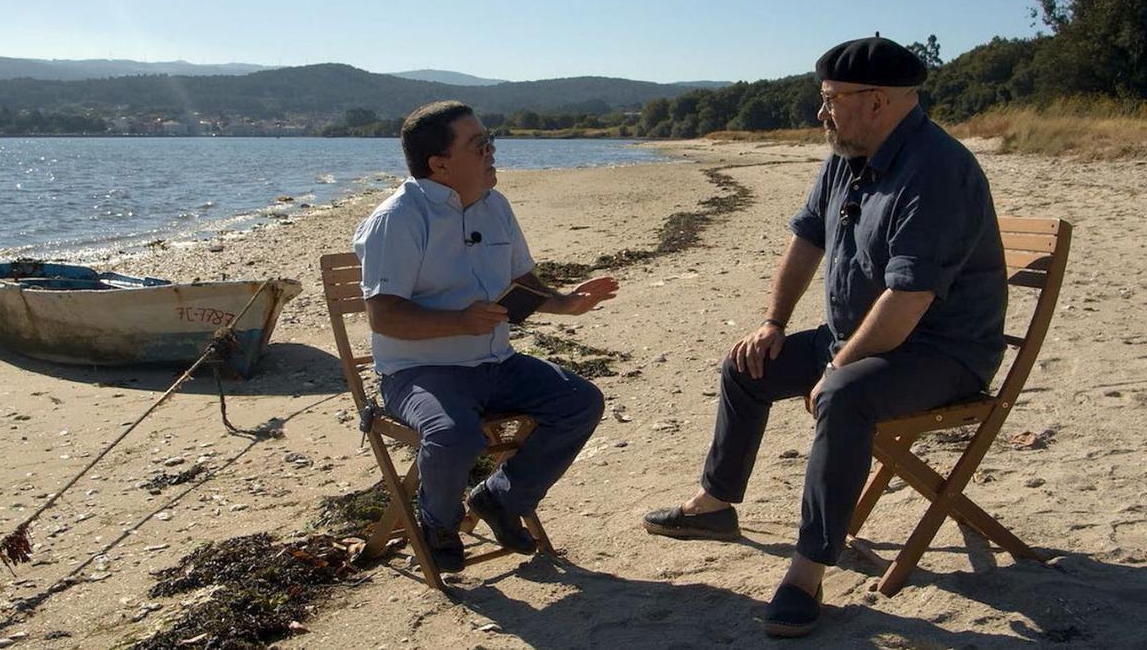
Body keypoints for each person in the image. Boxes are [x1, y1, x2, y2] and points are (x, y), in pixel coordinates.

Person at [642, 37, 1007, 637]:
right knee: (746, 366)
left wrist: (839, 366)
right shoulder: (849, 151)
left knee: (845, 396)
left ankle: (807, 572)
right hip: (858, 338)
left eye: (831, 99)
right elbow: (808, 238)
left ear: (878, 101)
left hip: (941, 353)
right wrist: (773, 324)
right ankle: (715, 505)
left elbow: (908, 298)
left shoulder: (939, 171)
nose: (821, 113)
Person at [353, 100, 618, 573]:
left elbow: (524, 283)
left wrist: (566, 302)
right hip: (420, 372)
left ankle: (499, 498)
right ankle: (437, 521)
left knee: (580, 402)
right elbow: (384, 317)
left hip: (495, 362)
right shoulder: (399, 218)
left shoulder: (495, 206)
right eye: (480, 144)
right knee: (452, 435)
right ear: (440, 164)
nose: (492, 150)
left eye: (489, 139)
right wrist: (459, 322)